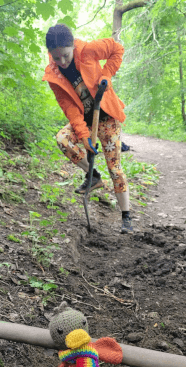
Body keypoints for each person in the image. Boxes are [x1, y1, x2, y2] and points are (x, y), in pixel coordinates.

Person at [42, 24, 132, 234]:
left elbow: (117, 50)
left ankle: (126, 216)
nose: (62, 62)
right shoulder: (53, 75)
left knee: (115, 167)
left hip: (107, 116)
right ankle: (93, 176)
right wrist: (83, 135)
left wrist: (106, 75)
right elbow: (69, 107)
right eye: (57, 58)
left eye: (65, 55)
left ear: (72, 45)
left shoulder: (88, 50)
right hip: (85, 119)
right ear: (50, 54)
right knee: (63, 139)